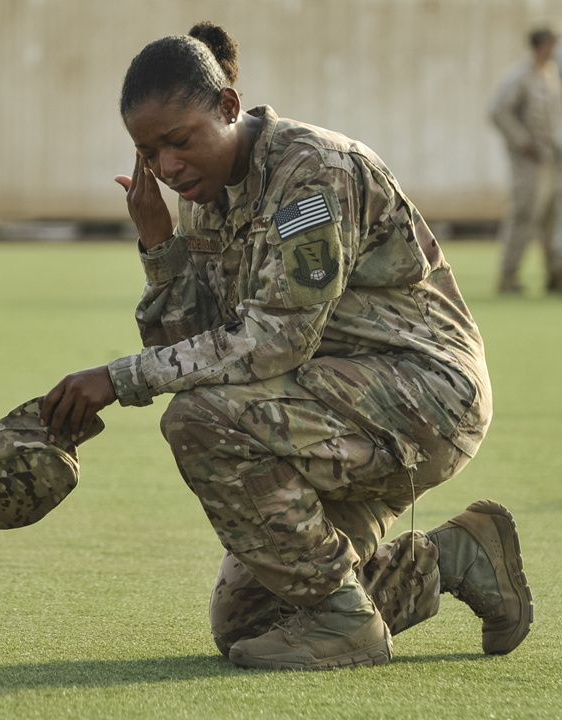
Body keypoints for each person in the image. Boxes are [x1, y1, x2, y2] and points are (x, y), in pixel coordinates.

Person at [38, 22, 533, 670]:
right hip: (326, 406)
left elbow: (277, 340)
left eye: (179, 142)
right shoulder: (202, 201)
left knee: (197, 422)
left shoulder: (313, 174)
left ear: (228, 108)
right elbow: (203, 356)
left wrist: (119, 378)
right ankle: (455, 558)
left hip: (423, 392)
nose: (167, 167)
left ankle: (343, 624)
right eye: (149, 152)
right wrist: (161, 251)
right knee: (247, 622)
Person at [490, 25, 562, 293]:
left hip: (550, 158)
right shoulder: (520, 77)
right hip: (528, 161)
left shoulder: (551, 75)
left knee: (552, 218)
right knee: (524, 215)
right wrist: (523, 142)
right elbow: (498, 112)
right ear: (542, 45)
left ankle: (555, 276)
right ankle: (508, 277)